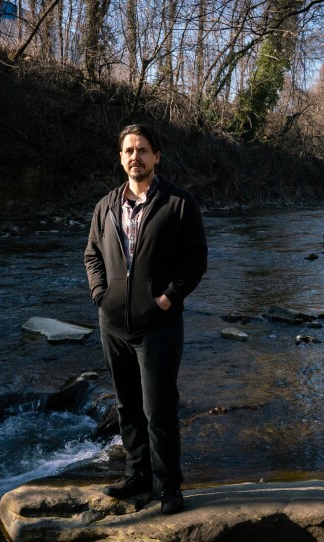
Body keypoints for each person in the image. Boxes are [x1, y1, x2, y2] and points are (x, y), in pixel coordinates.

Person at [84, 124, 208, 515]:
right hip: (114, 323)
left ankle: (169, 485)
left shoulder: (179, 203)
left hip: (159, 323)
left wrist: (169, 298)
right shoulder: (106, 205)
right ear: (121, 158)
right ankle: (137, 474)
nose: (134, 156)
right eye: (128, 150)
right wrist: (100, 297)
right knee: (127, 404)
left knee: (159, 407)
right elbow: (92, 256)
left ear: (156, 156)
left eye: (142, 150)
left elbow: (196, 259)